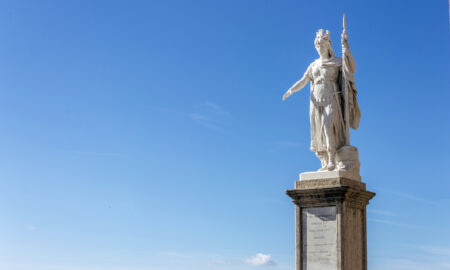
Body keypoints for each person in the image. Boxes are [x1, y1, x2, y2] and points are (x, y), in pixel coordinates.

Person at [282, 29, 360, 171]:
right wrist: (291, 90)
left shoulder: (337, 62)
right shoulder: (313, 65)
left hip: (332, 98)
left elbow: (351, 68)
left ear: (328, 45)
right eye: (318, 46)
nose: (320, 48)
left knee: (328, 127)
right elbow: (303, 80)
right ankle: (324, 162)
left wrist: (346, 48)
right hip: (315, 101)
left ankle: (331, 160)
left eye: (322, 45)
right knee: (320, 132)